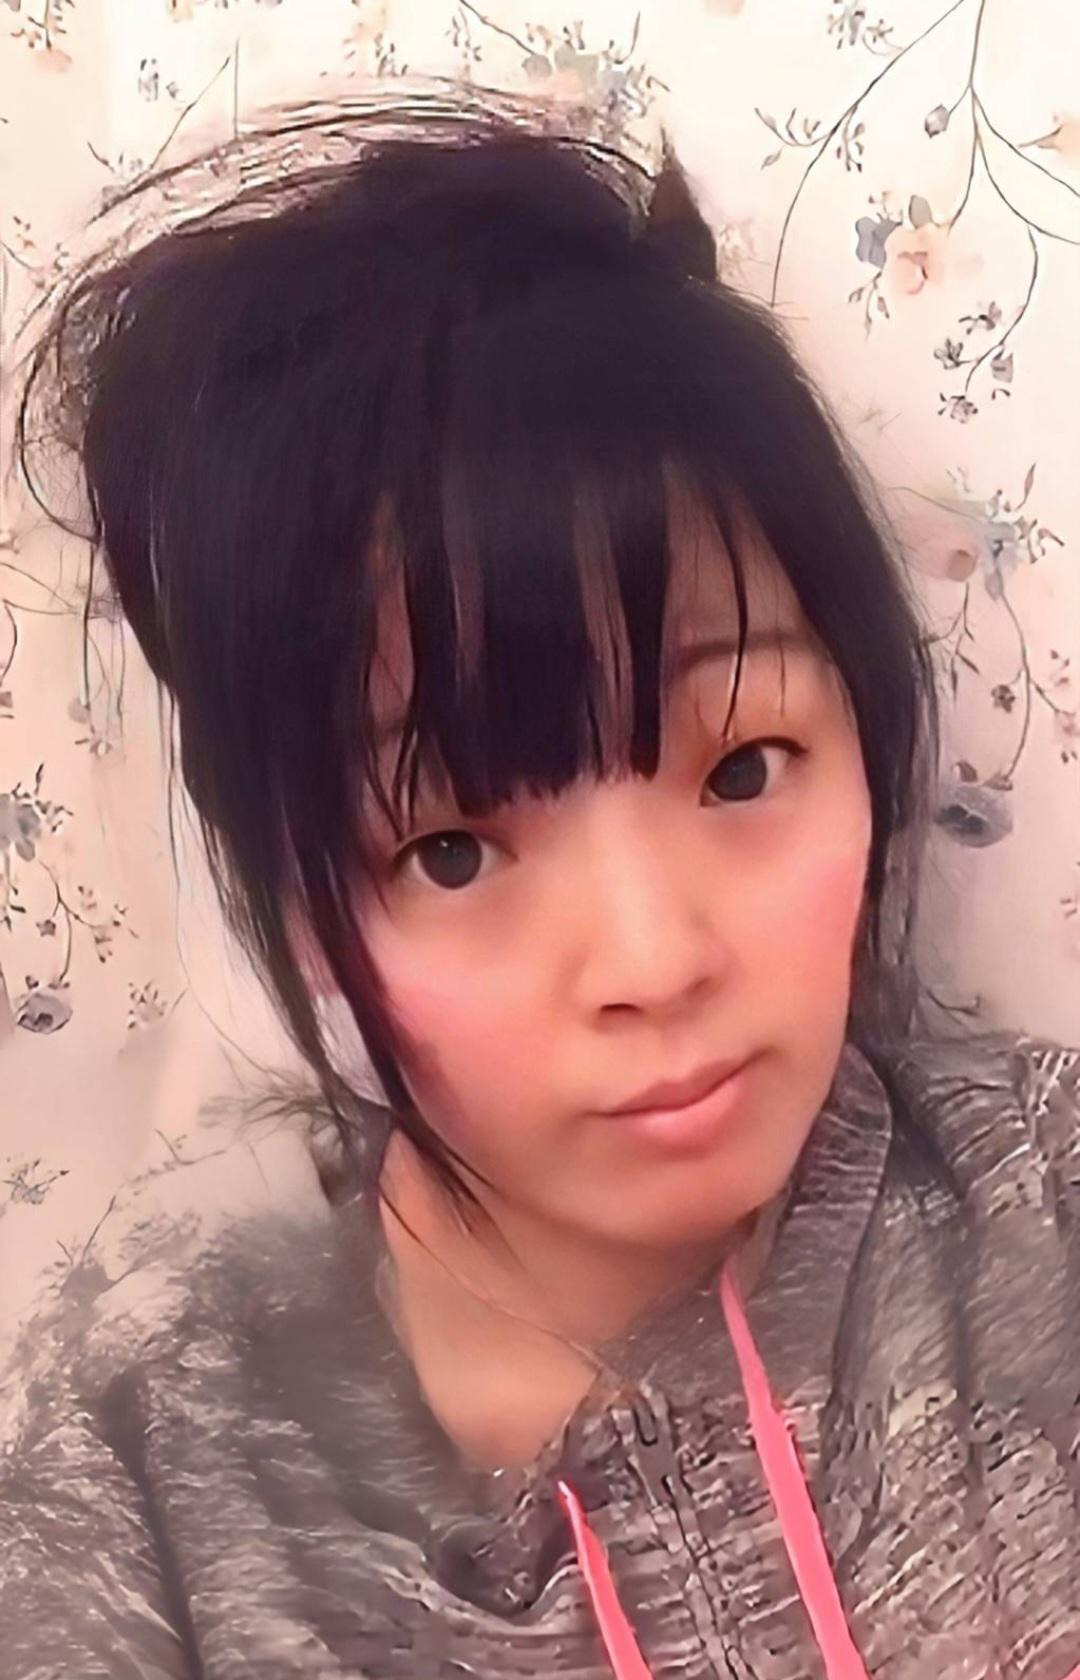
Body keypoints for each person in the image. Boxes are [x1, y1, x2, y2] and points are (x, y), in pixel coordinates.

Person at [5, 89, 1080, 1680]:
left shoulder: (1045, 1204)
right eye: (452, 851)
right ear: (300, 905)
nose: (653, 960)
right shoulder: (143, 1490)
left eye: (744, 766)